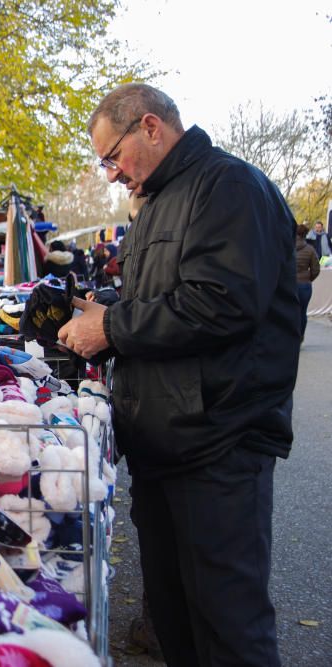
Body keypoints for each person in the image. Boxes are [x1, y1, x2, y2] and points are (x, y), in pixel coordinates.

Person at [58, 83, 298, 667]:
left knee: (228, 622)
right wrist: (105, 310)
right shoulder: (162, 199)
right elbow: (163, 298)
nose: (111, 174)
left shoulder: (230, 187)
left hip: (218, 443)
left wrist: (112, 328)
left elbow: (221, 303)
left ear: (149, 126)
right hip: (168, 443)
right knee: (174, 616)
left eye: (111, 156)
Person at [296, 223, 321, 338]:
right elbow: (316, 269)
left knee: (289, 311)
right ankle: (300, 336)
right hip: (305, 285)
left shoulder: (287, 248)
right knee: (302, 312)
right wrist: (309, 278)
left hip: (290, 284)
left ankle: (291, 337)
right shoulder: (310, 250)